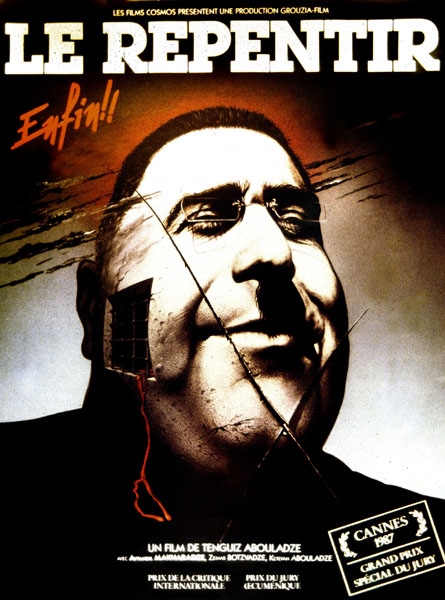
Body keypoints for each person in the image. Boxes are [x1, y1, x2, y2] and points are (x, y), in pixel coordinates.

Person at [1, 107, 444, 599]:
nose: (275, 253)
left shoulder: (426, 549)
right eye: (209, 220)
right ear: (94, 308)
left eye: (297, 223)